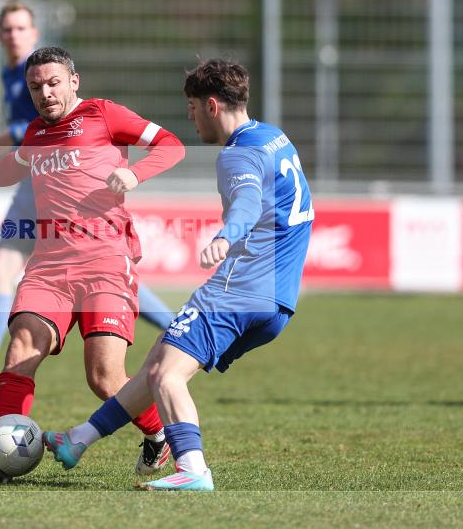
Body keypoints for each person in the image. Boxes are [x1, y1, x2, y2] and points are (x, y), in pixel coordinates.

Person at [42, 59, 314, 491]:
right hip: (278, 301)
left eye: (190, 107)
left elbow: (246, 200)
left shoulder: (236, 154)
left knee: (166, 376)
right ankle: (78, 439)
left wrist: (227, 236)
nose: (189, 117)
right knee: (155, 365)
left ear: (210, 105)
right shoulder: (274, 138)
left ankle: (193, 469)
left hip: (238, 290)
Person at [0, 46, 185, 482]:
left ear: (74, 81)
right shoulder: (36, 133)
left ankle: (158, 437)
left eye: (53, 83)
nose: (45, 93)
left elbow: (171, 145)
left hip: (106, 262)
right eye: (36, 86)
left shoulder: (104, 115)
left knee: (105, 379)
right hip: (50, 267)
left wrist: (136, 173)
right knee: (20, 350)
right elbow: (11, 169)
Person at [0, 0, 175, 398]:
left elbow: (40, 130)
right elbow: (28, 143)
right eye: (7, 29)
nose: (14, 35)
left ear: (35, 34)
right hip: (34, 184)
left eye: (21, 28)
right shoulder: (14, 74)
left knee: (95, 271)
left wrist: (7, 145)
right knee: (8, 275)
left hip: (50, 188)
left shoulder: (45, 72)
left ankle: (175, 326)